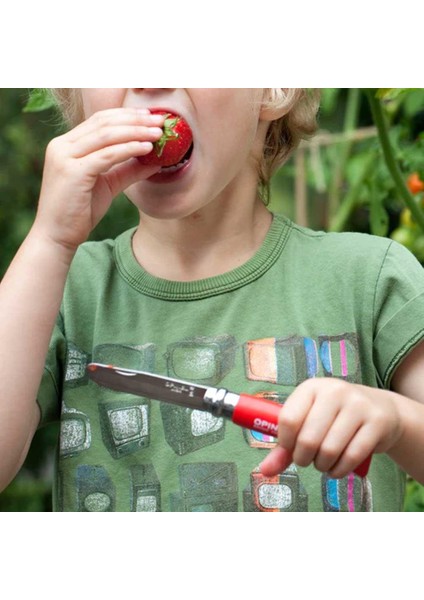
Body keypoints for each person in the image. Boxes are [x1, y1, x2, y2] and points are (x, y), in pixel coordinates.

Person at [1, 88, 424, 512]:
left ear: (273, 89)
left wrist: (395, 421)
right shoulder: (58, 289)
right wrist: (50, 240)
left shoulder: (367, 278)